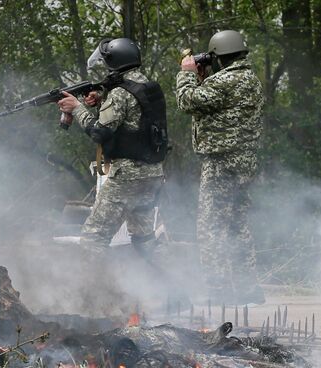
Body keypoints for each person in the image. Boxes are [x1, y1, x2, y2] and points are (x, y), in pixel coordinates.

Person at [176, 30, 265, 304]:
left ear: (219, 55)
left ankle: (218, 291)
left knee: (211, 227)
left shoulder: (224, 80)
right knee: (237, 226)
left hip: (220, 162)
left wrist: (187, 73)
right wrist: (203, 78)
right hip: (244, 162)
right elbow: (216, 104)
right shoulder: (250, 79)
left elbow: (186, 101)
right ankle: (248, 289)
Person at [57, 38, 168, 252]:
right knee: (144, 240)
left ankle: (97, 285)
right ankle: (165, 282)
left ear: (114, 62)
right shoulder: (150, 87)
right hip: (152, 173)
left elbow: (100, 132)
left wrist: (77, 108)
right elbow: (135, 119)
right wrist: (102, 101)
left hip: (127, 177)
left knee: (93, 239)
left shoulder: (120, 93)